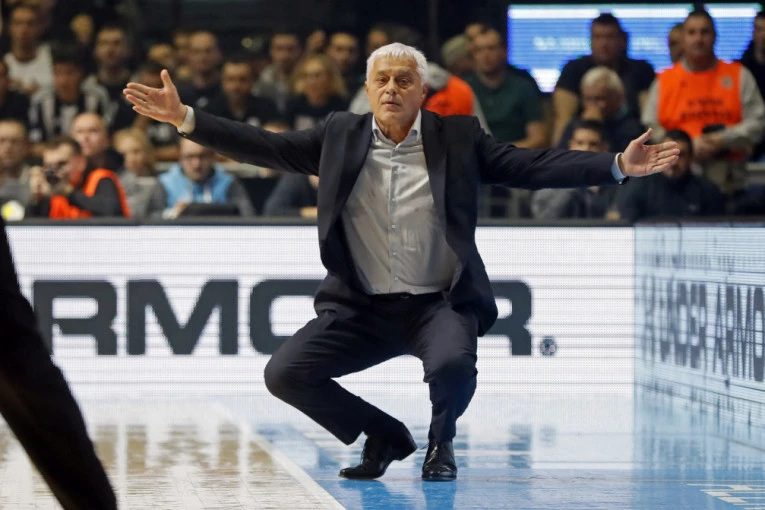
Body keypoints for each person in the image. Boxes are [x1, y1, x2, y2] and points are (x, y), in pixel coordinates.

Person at [125, 43, 678, 482]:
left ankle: (441, 443)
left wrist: (615, 165)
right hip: (361, 307)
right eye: (382, 79)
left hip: (437, 304)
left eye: (404, 80)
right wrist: (186, 119)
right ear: (368, 89)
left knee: (454, 365)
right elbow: (264, 146)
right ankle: (385, 435)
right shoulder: (338, 135)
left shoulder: (457, 137)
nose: (392, 88)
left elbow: (532, 165)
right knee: (285, 373)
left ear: (423, 91)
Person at [642, 9, 765, 196]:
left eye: (704, 32)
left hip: (730, 182)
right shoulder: (664, 80)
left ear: (715, 36)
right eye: (692, 33)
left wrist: (723, 140)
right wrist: (686, 146)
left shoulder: (739, 75)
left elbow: (758, 122)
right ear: (683, 38)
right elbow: (650, 127)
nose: (698, 39)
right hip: (676, 184)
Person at [615, 129, 725, 221]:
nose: (674, 162)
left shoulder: (707, 191)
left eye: (681, 155)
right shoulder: (640, 187)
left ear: (691, 157)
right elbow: (627, 224)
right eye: (668, 154)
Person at [145, 138, 254, 219]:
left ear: (212, 156)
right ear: (180, 157)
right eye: (190, 157)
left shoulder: (228, 183)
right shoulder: (165, 183)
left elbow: (247, 216)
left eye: (202, 156)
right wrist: (173, 213)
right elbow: (150, 218)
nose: (196, 164)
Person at [532, 120, 619, 219]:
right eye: (580, 143)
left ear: (605, 148)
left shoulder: (617, 182)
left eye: (593, 144)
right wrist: (572, 182)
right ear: (571, 146)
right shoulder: (551, 180)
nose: (586, 149)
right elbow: (544, 220)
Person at [26, 136, 130, 219]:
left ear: (81, 162)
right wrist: (36, 200)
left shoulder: (101, 178)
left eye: (61, 164)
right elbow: (31, 231)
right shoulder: (52, 191)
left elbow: (112, 212)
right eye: (48, 166)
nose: (54, 172)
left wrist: (69, 193)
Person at [557, 67, 644, 153]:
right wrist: (586, 124)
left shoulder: (632, 128)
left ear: (617, 97)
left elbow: (621, 157)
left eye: (599, 98)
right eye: (588, 99)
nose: (592, 105)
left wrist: (598, 125)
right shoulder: (575, 124)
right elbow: (561, 155)